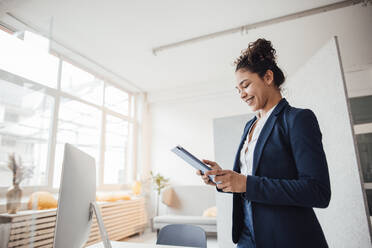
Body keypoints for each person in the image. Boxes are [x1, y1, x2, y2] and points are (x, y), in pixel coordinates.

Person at [196, 38, 331, 248]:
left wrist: (246, 183)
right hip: (247, 236)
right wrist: (222, 178)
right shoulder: (250, 125)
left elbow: (318, 191)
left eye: (246, 85)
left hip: (287, 238)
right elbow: (249, 177)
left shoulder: (297, 119)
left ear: (268, 77)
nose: (241, 94)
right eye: (237, 89)